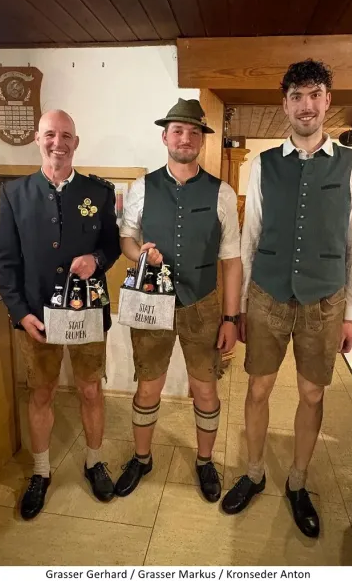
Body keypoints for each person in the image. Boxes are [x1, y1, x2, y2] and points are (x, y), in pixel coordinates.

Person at [222, 60, 352, 538]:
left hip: (325, 299)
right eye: (296, 97)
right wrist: (242, 307)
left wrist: (351, 314)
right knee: (258, 388)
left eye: (314, 95)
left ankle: (299, 480)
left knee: (312, 393)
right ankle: (254, 471)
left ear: (327, 101)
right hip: (267, 294)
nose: (306, 106)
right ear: (284, 105)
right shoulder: (263, 165)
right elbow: (249, 236)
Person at [0, 109, 121, 520]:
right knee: (42, 393)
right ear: (38, 139)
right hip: (38, 316)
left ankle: (94, 462)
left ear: (76, 143)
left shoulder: (98, 193)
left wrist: (96, 260)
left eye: (66, 135)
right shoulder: (14, 194)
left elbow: (112, 245)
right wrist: (19, 314)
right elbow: (5, 262)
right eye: (50, 134)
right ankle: (41, 472)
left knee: (90, 390)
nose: (58, 142)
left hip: (88, 315)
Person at [116, 98, 241, 502]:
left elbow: (232, 260)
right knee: (148, 387)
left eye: (193, 132)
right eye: (177, 130)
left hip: (203, 304)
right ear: (165, 137)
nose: (185, 138)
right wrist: (139, 253)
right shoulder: (142, 187)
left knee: (205, 390)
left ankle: (205, 462)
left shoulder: (222, 193)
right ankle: (141, 458)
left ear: (202, 140)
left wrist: (231, 318)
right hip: (151, 301)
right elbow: (126, 238)